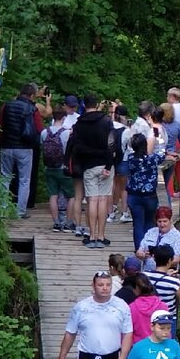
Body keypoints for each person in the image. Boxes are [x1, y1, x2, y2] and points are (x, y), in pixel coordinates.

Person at [68, 94, 116, 249]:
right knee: (103, 200)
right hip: (105, 164)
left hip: (88, 166)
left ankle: (92, 236)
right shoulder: (107, 121)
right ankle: (101, 236)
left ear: (83, 104)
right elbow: (112, 144)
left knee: (92, 200)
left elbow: (75, 147)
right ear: (96, 105)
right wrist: (109, 166)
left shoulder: (79, 124)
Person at [0, 83, 43, 219]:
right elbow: (39, 129)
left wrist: (0, 141)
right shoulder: (32, 109)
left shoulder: (6, 106)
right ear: (32, 95)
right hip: (25, 148)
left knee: (5, 177)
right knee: (24, 180)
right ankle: (20, 211)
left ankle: (2, 211)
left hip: (6, 146)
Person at [41, 107, 75, 231]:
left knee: (53, 195)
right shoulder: (67, 133)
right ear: (64, 118)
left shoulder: (44, 132)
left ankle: (56, 223)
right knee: (71, 196)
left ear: (53, 117)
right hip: (63, 168)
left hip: (49, 168)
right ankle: (68, 223)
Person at [126, 133, 161, 250]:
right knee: (150, 222)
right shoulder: (152, 159)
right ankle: (149, 248)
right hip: (150, 195)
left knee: (137, 223)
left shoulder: (130, 159)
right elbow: (162, 154)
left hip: (133, 195)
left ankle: (139, 249)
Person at [147, 245, 180, 338]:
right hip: (166, 320)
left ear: (154, 258)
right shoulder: (173, 282)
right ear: (170, 260)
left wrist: (165, 275)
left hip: (148, 317)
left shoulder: (144, 275)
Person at [61, 94, 86, 237]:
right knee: (73, 192)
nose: (72, 108)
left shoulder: (76, 118)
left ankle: (71, 219)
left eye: (74, 106)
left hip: (71, 158)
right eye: (70, 106)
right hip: (68, 158)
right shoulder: (64, 118)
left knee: (74, 193)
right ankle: (69, 216)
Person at [136, 207, 180, 273]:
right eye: (159, 221)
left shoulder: (178, 236)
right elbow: (138, 252)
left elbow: (176, 260)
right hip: (147, 273)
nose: (162, 225)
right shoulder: (150, 232)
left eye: (165, 221)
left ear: (170, 221)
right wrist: (143, 254)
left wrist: (159, 260)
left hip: (167, 273)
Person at [159, 102, 180, 205]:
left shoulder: (159, 125)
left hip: (160, 155)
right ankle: (168, 210)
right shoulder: (177, 125)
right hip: (172, 156)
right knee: (166, 185)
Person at [109, 104, 132, 222]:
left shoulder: (109, 127)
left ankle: (111, 213)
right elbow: (130, 148)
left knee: (113, 186)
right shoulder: (127, 131)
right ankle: (124, 213)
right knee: (124, 188)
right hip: (123, 160)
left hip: (110, 161)